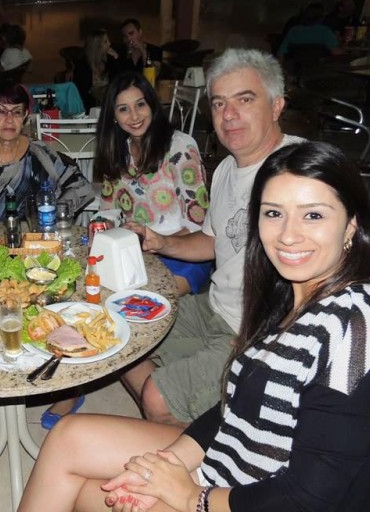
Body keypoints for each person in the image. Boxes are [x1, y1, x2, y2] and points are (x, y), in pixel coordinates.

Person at [18, 140, 370, 512]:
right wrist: (162, 469)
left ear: (351, 225)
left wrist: (193, 497)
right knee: (67, 438)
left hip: (252, 498)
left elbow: (310, 497)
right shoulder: (289, 295)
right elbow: (234, 408)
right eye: (273, 213)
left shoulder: (357, 325)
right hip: (229, 463)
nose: (288, 234)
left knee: (88, 492)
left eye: (313, 215)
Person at [120, 48, 304, 426]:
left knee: (157, 396)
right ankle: (203, 420)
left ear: (276, 106)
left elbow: (338, 273)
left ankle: (208, 441)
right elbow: (213, 242)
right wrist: (161, 242)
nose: (228, 114)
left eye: (244, 99)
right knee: (124, 333)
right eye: (219, 103)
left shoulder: (303, 170)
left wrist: (271, 340)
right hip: (215, 307)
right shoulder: (224, 170)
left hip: (259, 330)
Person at [97, 72, 212, 297]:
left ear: (152, 105)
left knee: (144, 302)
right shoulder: (118, 151)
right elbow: (108, 211)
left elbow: (197, 220)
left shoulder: (179, 146)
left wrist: (158, 244)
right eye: (123, 109)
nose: (134, 116)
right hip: (134, 251)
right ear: (113, 116)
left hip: (183, 252)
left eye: (140, 104)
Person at [0, 80, 94, 226]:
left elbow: (81, 188)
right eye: (1, 111)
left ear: (24, 117)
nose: (9, 119)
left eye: (17, 112)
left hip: (32, 236)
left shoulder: (38, 153)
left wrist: (53, 213)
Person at [277, 0, 342, 60]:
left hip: (297, 67)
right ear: (321, 17)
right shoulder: (324, 32)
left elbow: (280, 54)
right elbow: (336, 53)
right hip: (320, 67)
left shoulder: (294, 31)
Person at [73, 28, 120, 109]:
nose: (109, 44)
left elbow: (118, 80)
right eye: (105, 42)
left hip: (109, 103)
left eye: (108, 40)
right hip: (90, 106)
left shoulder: (109, 60)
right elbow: (82, 93)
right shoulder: (83, 66)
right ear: (97, 46)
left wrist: (116, 58)